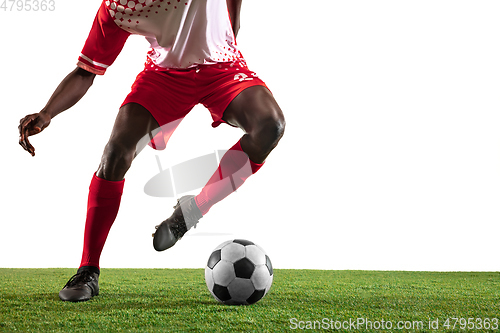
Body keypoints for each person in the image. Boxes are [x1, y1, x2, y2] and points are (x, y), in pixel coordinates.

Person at [18, 0, 285, 302]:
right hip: (164, 77)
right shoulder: (118, 8)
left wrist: (233, 24)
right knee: (115, 155)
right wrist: (47, 113)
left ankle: (195, 209)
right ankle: (88, 270)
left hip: (222, 67)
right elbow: (85, 71)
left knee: (269, 127)